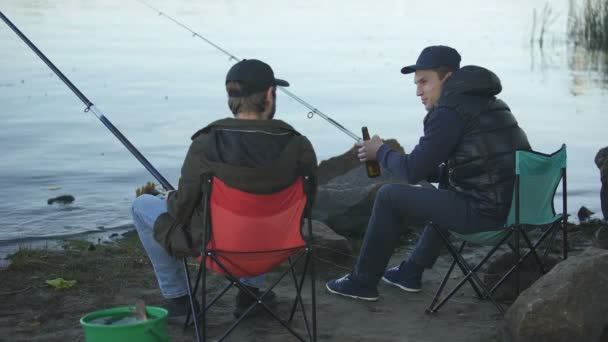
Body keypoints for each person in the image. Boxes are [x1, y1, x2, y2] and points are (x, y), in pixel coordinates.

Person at [326, 45, 531, 301]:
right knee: (446, 185)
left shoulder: (447, 112)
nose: (418, 92)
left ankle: (362, 282)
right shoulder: (488, 102)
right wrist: (401, 160)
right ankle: (410, 271)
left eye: (424, 82)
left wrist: (380, 152)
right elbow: (477, 164)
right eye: (416, 83)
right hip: (517, 208)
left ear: (447, 77)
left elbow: (411, 172)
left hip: (488, 215)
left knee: (389, 196)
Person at [131, 59, 317, 319]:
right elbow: (306, 205)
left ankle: (179, 299)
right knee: (264, 207)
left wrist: (171, 197)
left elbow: (182, 211)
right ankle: (250, 294)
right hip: (277, 246)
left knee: (141, 205)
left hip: (216, 249)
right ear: (270, 94)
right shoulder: (300, 146)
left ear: (231, 99)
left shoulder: (206, 142)